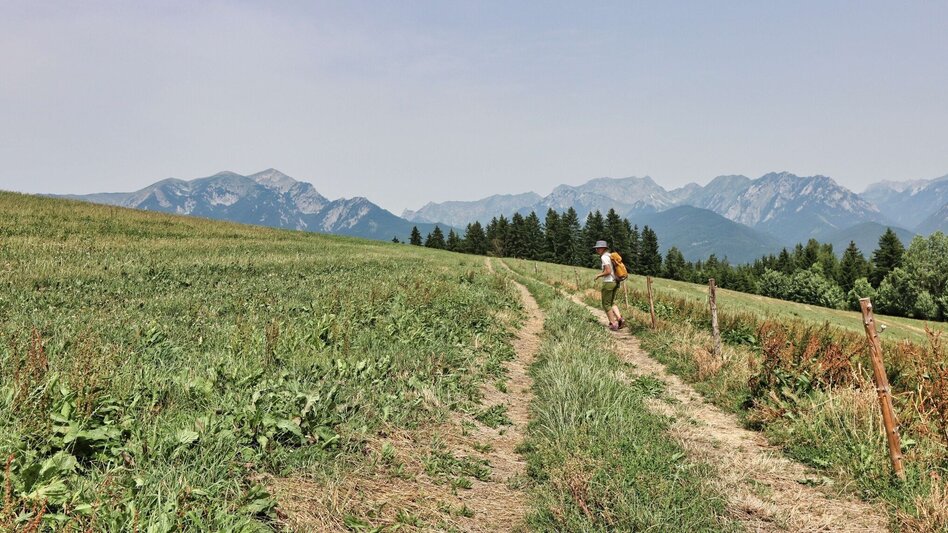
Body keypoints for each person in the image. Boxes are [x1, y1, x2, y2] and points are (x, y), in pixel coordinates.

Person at [593, 240, 625, 331]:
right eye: (596, 248)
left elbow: (608, 271)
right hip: (616, 282)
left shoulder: (604, 257)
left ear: (603, 248)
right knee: (611, 302)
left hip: (608, 283)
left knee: (606, 304)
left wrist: (598, 275)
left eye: (598, 248)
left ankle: (613, 323)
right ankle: (620, 319)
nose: (597, 250)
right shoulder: (610, 255)